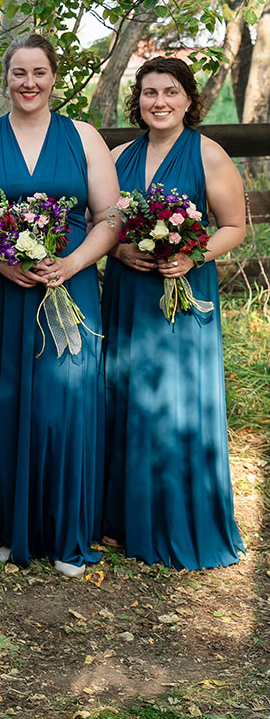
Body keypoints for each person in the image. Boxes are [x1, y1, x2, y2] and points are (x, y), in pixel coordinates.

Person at [0, 32, 119, 577]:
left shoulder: (84, 138)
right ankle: (9, 525)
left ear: (54, 76)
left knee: (61, 407)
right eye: (19, 74)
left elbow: (110, 218)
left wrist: (71, 264)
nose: (29, 84)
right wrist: (1, 264)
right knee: (1, 403)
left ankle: (66, 532)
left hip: (70, 288)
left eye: (39, 73)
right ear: (6, 77)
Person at [101, 56, 246, 569]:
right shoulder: (116, 156)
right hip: (127, 293)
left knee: (177, 399)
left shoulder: (209, 155)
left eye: (170, 91)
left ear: (188, 98)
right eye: (148, 93)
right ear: (137, 101)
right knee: (127, 395)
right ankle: (122, 518)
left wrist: (193, 254)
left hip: (181, 291)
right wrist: (118, 251)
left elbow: (233, 226)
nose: (158, 102)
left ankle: (178, 518)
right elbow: (105, 224)